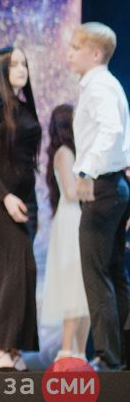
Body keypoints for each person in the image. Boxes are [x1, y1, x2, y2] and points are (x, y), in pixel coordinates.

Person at [67, 22, 130, 372]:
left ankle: (107, 357)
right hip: (115, 186)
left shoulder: (99, 86)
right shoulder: (109, 84)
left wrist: (86, 171)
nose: (69, 54)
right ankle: (118, 356)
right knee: (114, 271)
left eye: (75, 48)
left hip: (102, 187)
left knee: (96, 273)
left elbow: (112, 130)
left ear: (94, 53)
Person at [0, 46, 41, 371]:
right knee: (15, 268)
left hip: (26, 199)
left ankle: (8, 344)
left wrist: (28, 201)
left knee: (16, 270)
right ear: (1, 69)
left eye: (24, 64)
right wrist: (6, 198)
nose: (21, 69)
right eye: (15, 64)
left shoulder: (24, 106)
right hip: (0, 200)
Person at [41, 104, 91, 361]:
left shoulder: (75, 152)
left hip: (78, 218)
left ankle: (80, 352)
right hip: (72, 220)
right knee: (73, 282)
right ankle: (67, 349)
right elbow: (71, 192)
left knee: (84, 286)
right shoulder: (64, 152)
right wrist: (96, 186)